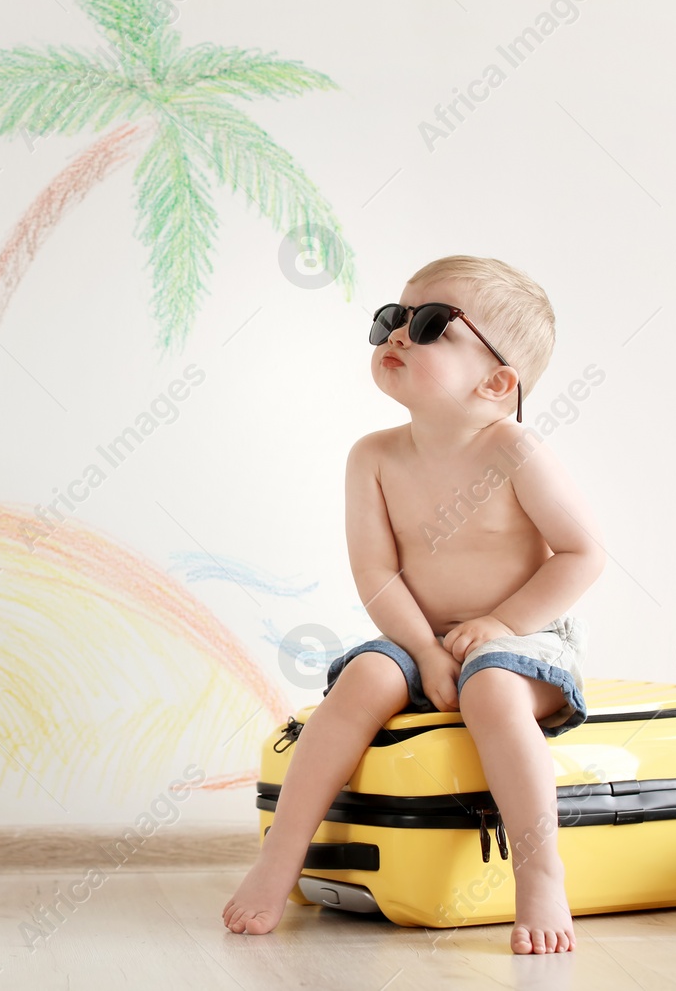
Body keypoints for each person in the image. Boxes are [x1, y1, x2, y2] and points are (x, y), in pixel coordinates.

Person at [222, 255, 606, 954]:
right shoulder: (372, 456)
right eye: (392, 318)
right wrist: (425, 650)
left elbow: (583, 554)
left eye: (430, 324)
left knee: (491, 687)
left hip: (523, 641)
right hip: (417, 636)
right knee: (365, 676)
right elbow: (376, 572)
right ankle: (280, 859)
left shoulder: (514, 450)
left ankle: (540, 873)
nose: (398, 333)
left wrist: (500, 625)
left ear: (496, 381)